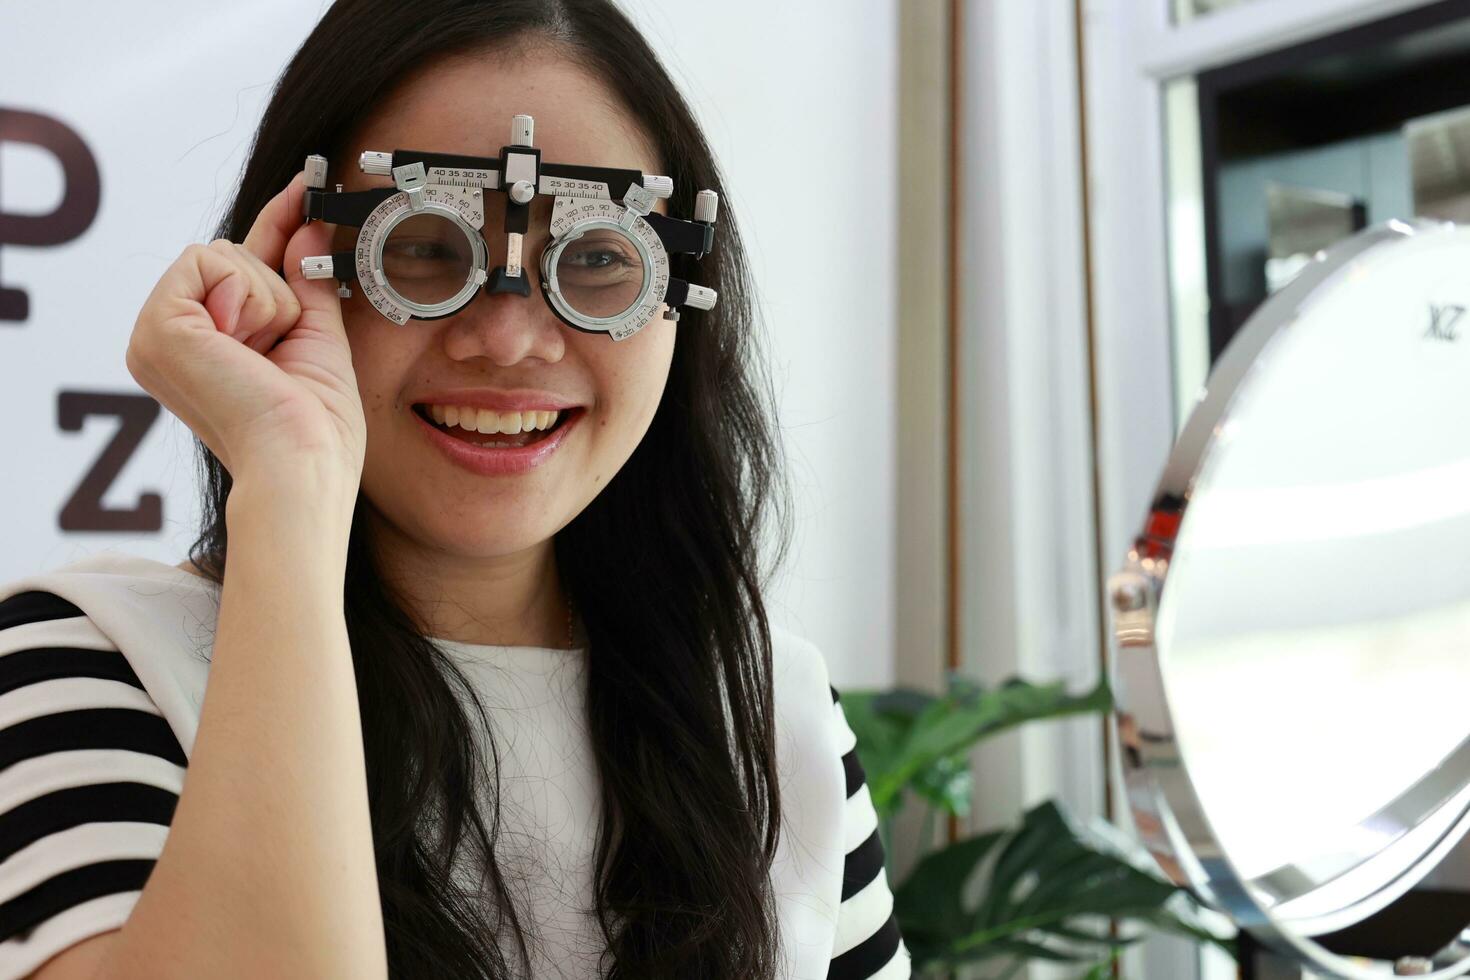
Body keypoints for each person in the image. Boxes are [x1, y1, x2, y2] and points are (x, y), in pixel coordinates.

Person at [0, 1, 911, 979]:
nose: (510, 337)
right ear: (292, 260)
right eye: (425, 247)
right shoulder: (89, 663)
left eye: (598, 258)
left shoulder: (768, 715)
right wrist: (291, 480)